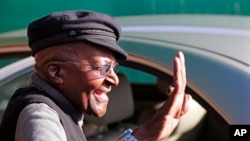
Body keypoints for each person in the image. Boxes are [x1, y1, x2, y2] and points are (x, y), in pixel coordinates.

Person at [0, 10, 192, 141]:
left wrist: (144, 135)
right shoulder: (39, 118)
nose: (115, 80)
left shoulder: (61, 110)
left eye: (113, 68)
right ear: (56, 72)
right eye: (103, 68)